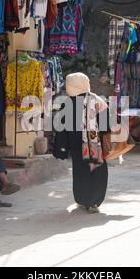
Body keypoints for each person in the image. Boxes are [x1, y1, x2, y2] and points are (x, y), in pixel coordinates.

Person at [53, 73, 110, 213]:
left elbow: (61, 129)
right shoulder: (97, 100)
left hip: (77, 146)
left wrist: (61, 149)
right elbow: (106, 125)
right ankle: (94, 202)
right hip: (94, 144)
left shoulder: (67, 104)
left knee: (80, 171)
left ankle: (82, 199)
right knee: (96, 170)